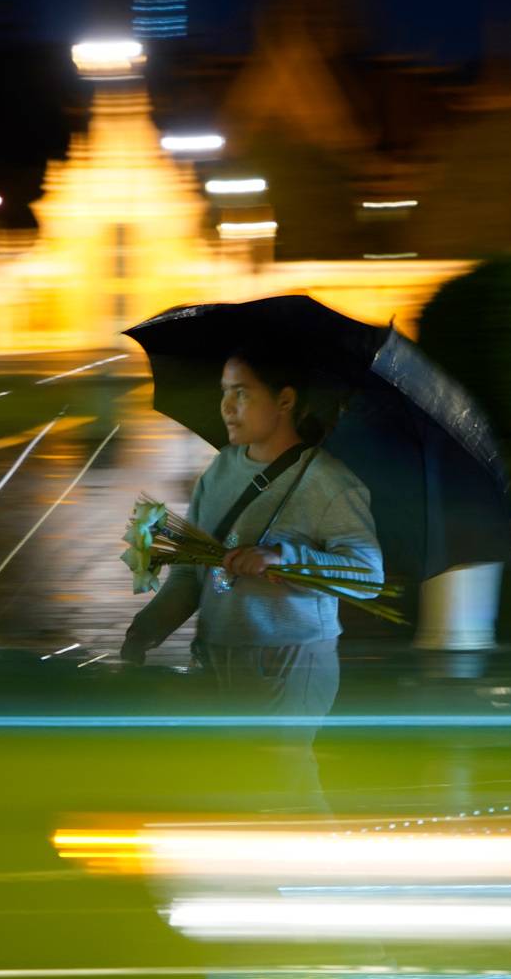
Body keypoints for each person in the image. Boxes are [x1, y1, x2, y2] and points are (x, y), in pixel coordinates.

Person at [121, 345, 384, 805]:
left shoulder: (326, 481)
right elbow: (190, 575)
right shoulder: (222, 469)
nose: (227, 407)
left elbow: (367, 574)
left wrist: (282, 558)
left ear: (285, 400)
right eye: (224, 392)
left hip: (290, 663)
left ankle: (314, 850)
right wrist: (146, 630)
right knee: (243, 792)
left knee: (282, 791)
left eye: (241, 393)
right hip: (219, 659)